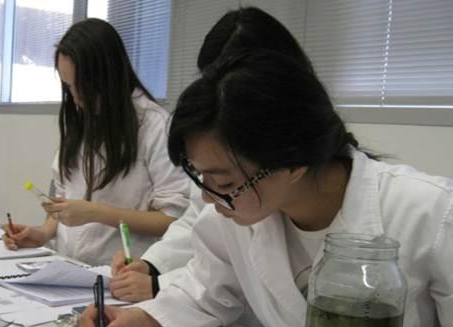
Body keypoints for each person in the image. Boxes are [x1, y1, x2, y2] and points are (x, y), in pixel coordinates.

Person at [79, 51, 453, 327]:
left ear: (293, 162)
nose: (210, 201)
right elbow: (208, 290)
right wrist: (138, 319)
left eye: (225, 183)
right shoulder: (240, 214)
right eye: (201, 178)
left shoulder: (430, 212)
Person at [108, 6, 316, 301]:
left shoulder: (284, 161)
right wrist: (153, 268)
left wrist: (158, 285)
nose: (220, 93)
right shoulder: (224, 165)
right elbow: (199, 223)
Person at [1, 18, 190, 266]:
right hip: (69, 269)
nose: (77, 98)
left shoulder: (154, 126)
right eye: (69, 87)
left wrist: (96, 213)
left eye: (84, 86)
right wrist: (43, 233)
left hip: (122, 277)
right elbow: (65, 198)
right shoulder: (83, 119)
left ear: (109, 76)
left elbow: (174, 220)